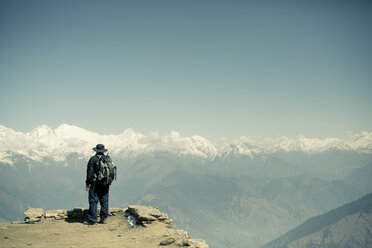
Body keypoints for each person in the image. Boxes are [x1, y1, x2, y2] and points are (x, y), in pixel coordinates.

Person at [85, 144, 112, 225]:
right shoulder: (108, 159)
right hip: (105, 183)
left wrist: (87, 183)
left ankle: (93, 219)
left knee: (93, 201)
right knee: (104, 200)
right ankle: (104, 218)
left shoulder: (93, 159)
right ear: (103, 151)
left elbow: (89, 173)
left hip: (95, 183)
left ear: (96, 151)